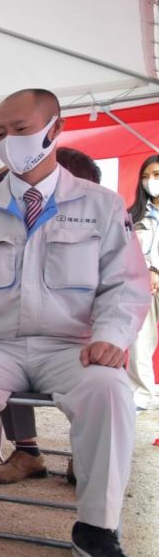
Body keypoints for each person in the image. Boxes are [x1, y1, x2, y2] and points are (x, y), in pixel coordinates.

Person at [0, 89, 151, 557]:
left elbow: (126, 282)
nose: (7, 141)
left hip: (72, 347)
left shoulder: (101, 206)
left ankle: (97, 530)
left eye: (20, 129)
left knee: (112, 391)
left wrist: (113, 337)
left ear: (54, 129)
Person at [0, 146, 102, 485]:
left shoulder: (103, 224)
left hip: (77, 342)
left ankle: (85, 455)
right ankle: (27, 452)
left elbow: (119, 294)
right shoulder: (5, 221)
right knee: (0, 348)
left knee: (100, 376)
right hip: (20, 338)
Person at [126, 155, 159, 412]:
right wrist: (148, 270)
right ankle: (141, 395)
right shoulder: (133, 215)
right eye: (146, 176)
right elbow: (126, 251)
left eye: (157, 175)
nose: (151, 181)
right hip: (144, 283)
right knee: (140, 339)